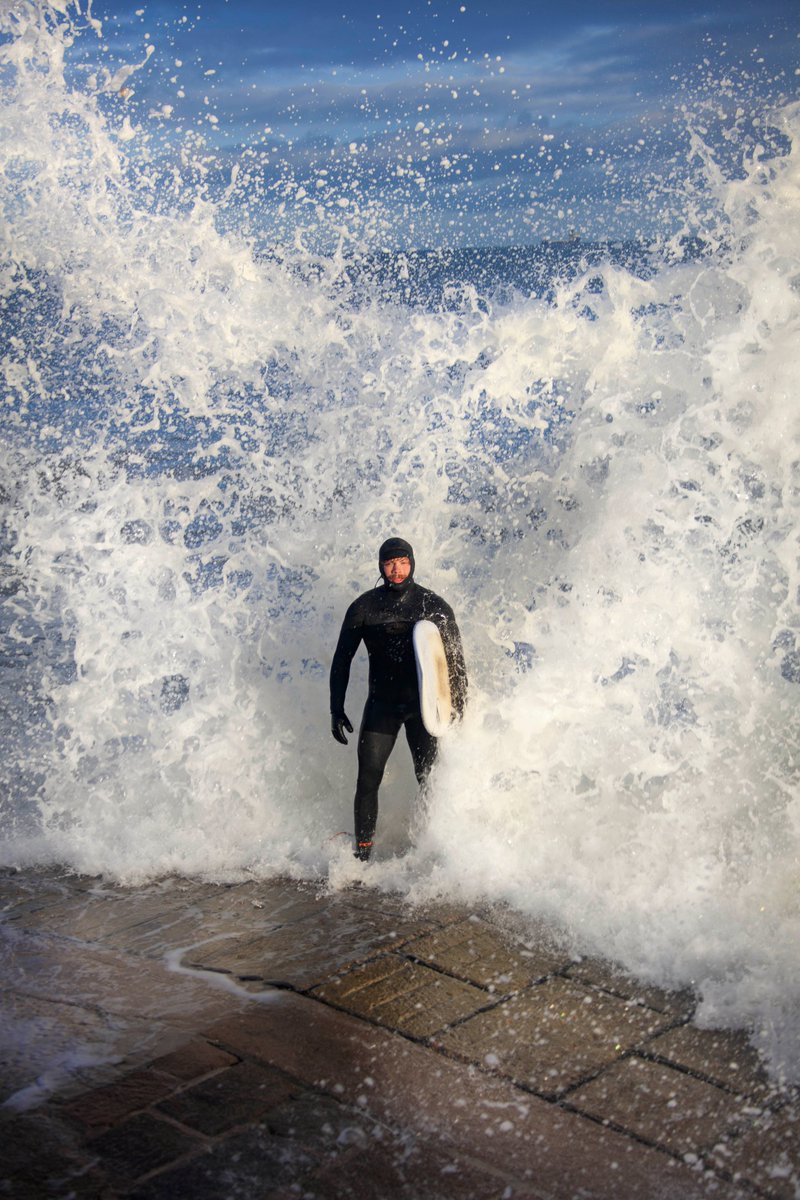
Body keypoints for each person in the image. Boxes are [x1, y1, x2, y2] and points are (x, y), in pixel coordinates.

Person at [329, 537, 467, 861]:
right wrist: (336, 708)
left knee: (429, 779)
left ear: (412, 562)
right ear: (380, 565)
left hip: (423, 708)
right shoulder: (364, 608)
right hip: (382, 707)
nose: (397, 569)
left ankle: (434, 850)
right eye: (390, 562)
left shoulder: (432, 605)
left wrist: (458, 707)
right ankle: (362, 856)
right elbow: (342, 661)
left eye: (403, 561)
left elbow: (455, 661)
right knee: (367, 780)